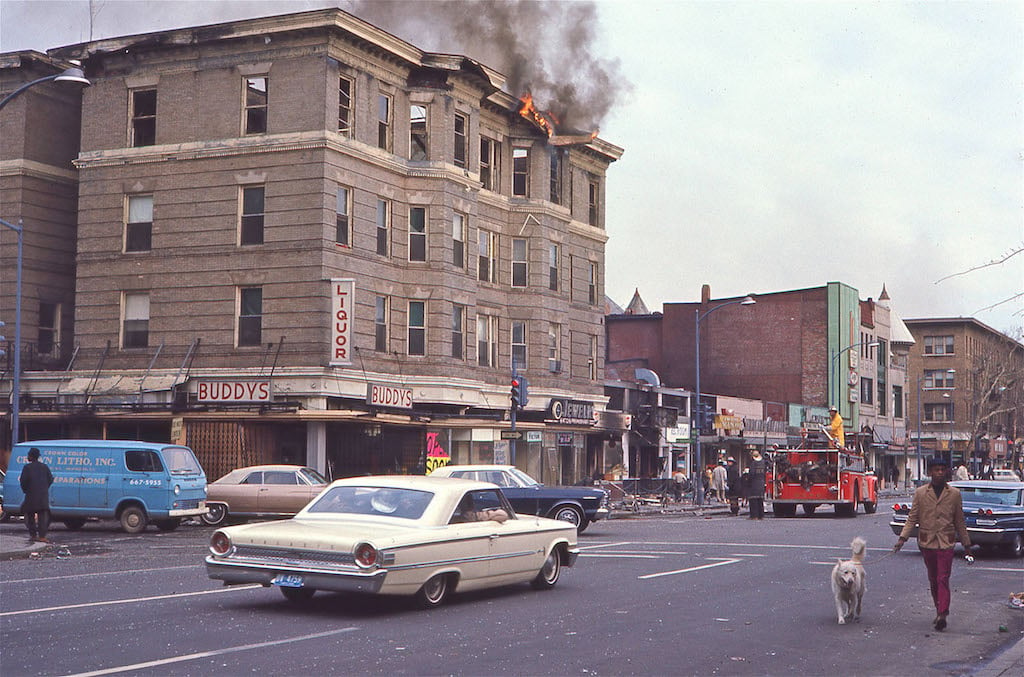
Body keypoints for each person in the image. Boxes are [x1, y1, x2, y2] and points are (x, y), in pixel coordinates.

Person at [893, 457, 973, 631]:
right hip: (927, 542)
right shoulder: (921, 493)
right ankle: (939, 609)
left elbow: (960, 520)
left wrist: (967, 545)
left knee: (943, 578)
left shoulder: (954, 494)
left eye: (942, 470)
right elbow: (912, 517)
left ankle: (943, 613)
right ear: (930, 472)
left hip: (946, 542)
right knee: (933, 579)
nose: (939, 473)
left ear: (946, 472)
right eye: (936, 470)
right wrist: (902, 539)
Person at [19, 447, 54, 543]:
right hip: (42, 496)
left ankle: (33, 535)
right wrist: (44, 488)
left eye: (28, 455)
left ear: (30, 456)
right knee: (42, 517)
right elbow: (50, 479)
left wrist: (26, 490)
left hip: (31, 496)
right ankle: (42, 536)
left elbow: (23, 481)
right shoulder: (44, 467)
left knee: (30, 516)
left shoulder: (27, 468)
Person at [747, 450, 767, 520]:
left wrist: (748, 480)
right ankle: (761, 515)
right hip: (761, 483)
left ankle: (754, 515)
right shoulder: (763, 463)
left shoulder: (753, 464)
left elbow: (751, 474)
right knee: (760, 500)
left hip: (754, 483)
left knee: (753, 500)